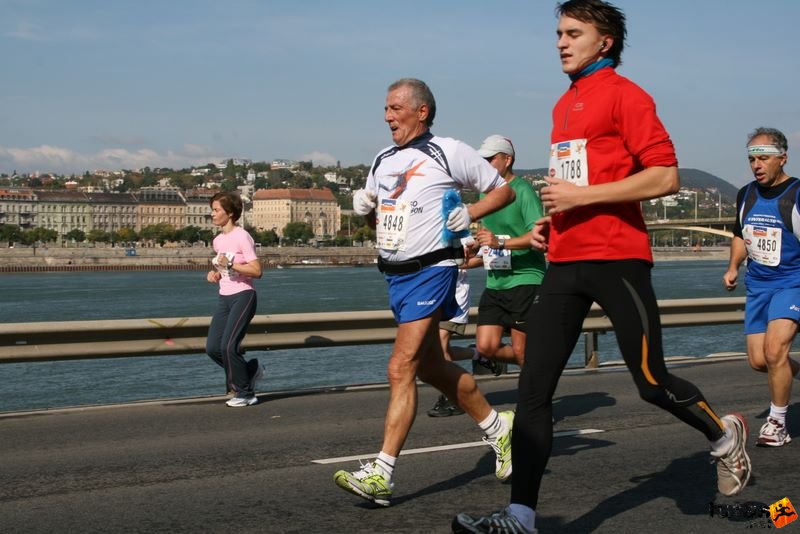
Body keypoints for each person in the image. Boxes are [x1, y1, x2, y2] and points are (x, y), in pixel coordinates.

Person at [453, 2, 750, 533]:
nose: (561, 43)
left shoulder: (627, 96)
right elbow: (573, 185)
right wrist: (550, 221)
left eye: (573, 33)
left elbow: (665, 178)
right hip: (564, 262)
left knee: (651, 381)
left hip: (618, 258)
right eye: (558, 34)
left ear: (604, 41)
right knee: (534, 392)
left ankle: (724, 435)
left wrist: (585, 196)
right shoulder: (563, 105)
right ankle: (521, 516)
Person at [333, 77, 517, 507]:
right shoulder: (382, 159)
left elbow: (503, 190)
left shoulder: (448, 150)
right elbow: (378, 224)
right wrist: (365, 211)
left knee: (400, 366)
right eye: (385, 108)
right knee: (431, 367)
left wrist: (469, 212)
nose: (387, 116)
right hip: (395, 275)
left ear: (422, 111)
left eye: (396, 107)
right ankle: (497, 427)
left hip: (434, 269)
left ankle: (382, 471)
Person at [723, 127, 800, 447]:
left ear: (782, 158)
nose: (757, 165)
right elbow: (741, 233)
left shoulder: (796, 194)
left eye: (764, 158)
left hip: (792, 283)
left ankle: (777, 424)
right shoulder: (746, 194)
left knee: (774, 351)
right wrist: (733, 266)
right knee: (760, 361)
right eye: (752, 159)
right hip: (758, 285)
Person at [469, 135, 546, 370]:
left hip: (525, 279)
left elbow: (538, 237)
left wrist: (499, 244)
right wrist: (473, 250)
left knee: (523, 350)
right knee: (486, 347)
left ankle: (533, 398)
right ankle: (539, 366)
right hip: (496, 283)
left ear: (507, 159)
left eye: (490, 159)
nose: (485, 164)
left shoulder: (523, 190)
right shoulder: (485, 194)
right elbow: (490, 240)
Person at [206, 191, 264, 407]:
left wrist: (230, 265)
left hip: (244, 295)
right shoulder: (218, 240)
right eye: (212, 209)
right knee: (213, 348)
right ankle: (249, 371)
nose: (212, 214)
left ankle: (246, 394)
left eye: (216, 210)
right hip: (224, 297)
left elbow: (257, 271)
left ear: (229, 213)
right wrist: (217, 274)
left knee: (229, 346)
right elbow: (224, 269)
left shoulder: (242, 236)